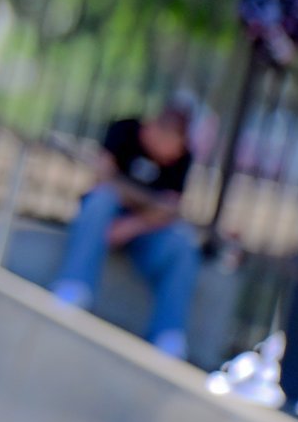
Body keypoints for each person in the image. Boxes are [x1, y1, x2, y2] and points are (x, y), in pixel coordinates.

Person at [50, 98, 202, 360]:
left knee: (183, 245)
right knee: (101, 200)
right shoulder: (124, 130)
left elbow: (169, 209)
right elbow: (102, 177)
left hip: (144, 232)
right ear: (155, 130)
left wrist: (131, 225)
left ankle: (169, 334)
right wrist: (143, 202)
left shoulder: (184, 158)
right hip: (106, 219)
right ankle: (73, 287)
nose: (175, 154)